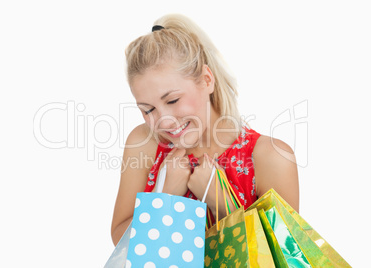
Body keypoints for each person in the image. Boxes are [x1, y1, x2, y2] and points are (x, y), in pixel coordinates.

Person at [111, 14, 299, 246]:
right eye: (148, 109)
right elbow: (119, 239)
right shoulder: (145, 144)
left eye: (172, 101)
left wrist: (222, 206)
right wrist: (165, 199)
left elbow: (285, 255)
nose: (164, 122)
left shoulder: (270, 157)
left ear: (207, 80)